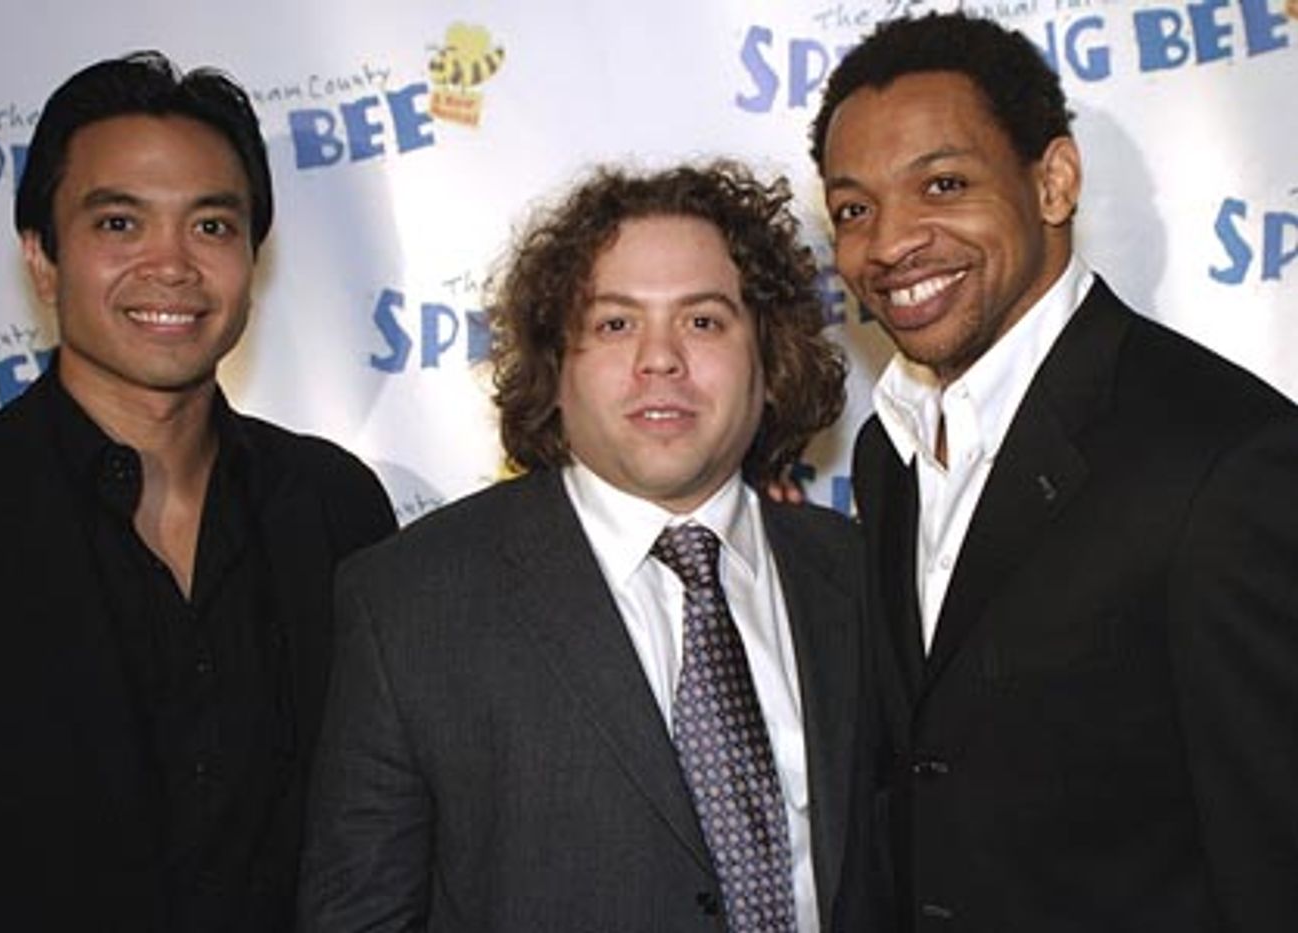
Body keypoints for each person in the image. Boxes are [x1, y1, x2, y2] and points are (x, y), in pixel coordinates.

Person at [811, 11, 1298, 932]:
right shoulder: (887, 450)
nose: (890, 242)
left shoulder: (1226, 460)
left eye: (943, 184)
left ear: (1053, 182)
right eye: (853, 209)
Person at [298, 162, 880, 932]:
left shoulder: (863, 575)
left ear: (770, 359)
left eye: (704, 321)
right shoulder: (409, 602)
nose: (660, 357)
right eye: (615, 324)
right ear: (554, 367)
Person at [0, 51, 397, 932]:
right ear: (42, 259)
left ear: (252, 258)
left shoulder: (336, 508)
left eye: (211, 225)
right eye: (120, 223)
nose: (171, 265)